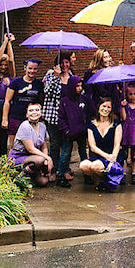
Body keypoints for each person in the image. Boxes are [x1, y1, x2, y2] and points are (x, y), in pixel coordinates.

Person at [42, 51, 77, 184]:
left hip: (68, 116)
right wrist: (55, 76)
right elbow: (47, 91)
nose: (64, 65)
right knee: (55, 144)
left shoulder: (72, 76)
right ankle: (53, 170)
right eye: (61, 62)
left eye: (66, 62)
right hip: (53, 116)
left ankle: (64, 169)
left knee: (67, 144)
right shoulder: (51, 75)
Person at [80, 97, 123, 192]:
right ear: (99, 107)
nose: (106, 109)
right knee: (83, 165)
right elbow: (92, 146)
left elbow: (117, 144)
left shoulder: (116, 124)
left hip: (113, 156)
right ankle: (103, 181)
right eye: (104, 106)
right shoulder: (91, 125)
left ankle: (108, 180)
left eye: (109, 107)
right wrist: (106, 156)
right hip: (99, 156)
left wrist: (112, 159)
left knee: (96, 166)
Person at [2, 58, 44, 149]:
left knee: (31, 146)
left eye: (35, 69)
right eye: (30, 68)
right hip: (15, 117)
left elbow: (40, 102)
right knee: (14, 146)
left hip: (32, 119)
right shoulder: (16, 82)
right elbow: (7, 101)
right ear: (25, 68)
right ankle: (12, 162)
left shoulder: (39, 84)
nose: (32, 71)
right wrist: (5, 119)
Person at [8, 103, 52, 187]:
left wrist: (45, 163)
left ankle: (29, 175)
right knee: (39, 160)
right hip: (18, 157)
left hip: (33, 157)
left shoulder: (42, 126)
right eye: (31, 110)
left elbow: (44, 147)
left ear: (40, 113)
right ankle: (19, 177)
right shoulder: (25, 126)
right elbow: (30, 149)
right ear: (27, 114)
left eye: (37, 110)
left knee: (43, 182)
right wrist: (47, 158)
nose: (34, 112)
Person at [58, 78, 93, 185]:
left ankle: (87, 175)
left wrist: (87, 127)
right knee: (65, 154)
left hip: (82, 132)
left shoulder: (84, 99)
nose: (79, 88)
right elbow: (61, 117)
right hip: (68, 133)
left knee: (83, 154)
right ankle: (61, 176)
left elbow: (90, 113)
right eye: (77, 86)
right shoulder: (64, 101)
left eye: (80, 86)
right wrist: (66, 130)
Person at [120, 84, 135, 184]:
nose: (132, 96)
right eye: (130, 94)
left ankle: (134, 173)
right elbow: (124, 118)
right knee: (124, 155)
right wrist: (122, 107)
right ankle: (124, 174)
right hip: (126, 134)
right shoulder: (125, 106)